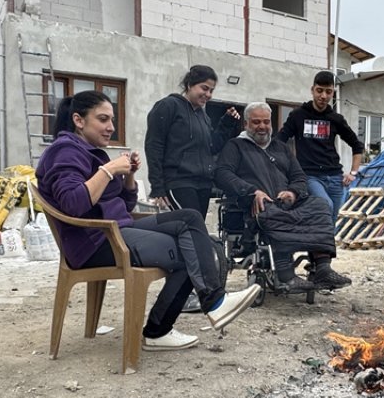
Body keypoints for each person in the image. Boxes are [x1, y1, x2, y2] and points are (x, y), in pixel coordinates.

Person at [37, 90, 261, 351]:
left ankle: (204, 307)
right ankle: (167, 326)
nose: (110, 127)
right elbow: (73, 204)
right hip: (95, 243)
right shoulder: (64, 151)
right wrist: (108, 171)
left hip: (117, 230)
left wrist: (129, 176)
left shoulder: (89, 151)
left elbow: (126, 205)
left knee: (190, 222)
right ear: (78, 120)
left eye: (112, 120)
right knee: (191, 251)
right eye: (103, 119)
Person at [214, 102, 351, 292]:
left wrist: (293, 192)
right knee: (269, 211)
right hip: (258, 204)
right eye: (256, 122)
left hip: (286, 203)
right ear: (246, 124)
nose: (262, 126)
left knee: (320, 205)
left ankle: (322, 268)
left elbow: (299, 176)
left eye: (266, 122)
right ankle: (286, 275)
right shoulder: (236, 146)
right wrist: (252, 191)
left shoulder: (281, 147)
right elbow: (222, 173)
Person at [145, 64, 241, 217]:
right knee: (192, 228)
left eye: (211, 90)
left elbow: (212, 147)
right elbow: (154, 145)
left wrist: (226, 123)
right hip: (178, 181)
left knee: (193, 231)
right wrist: (157, 186)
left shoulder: (203, 117)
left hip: (203, 184)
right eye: (204, 88)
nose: (208, 94)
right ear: (189, 85)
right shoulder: (168, 106)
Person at [276, 70, 365, 227]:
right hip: (310, 176)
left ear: (332, 93)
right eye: (319, 91)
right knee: (325, 206)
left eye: (328, 92)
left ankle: (322, 251)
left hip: (335, 178)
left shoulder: (335, 119)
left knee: (331, 223)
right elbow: (279, 142)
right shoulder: (298, 115)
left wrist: (353, 173)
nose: (323, 96)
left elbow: (357, 146)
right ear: (312, 90)